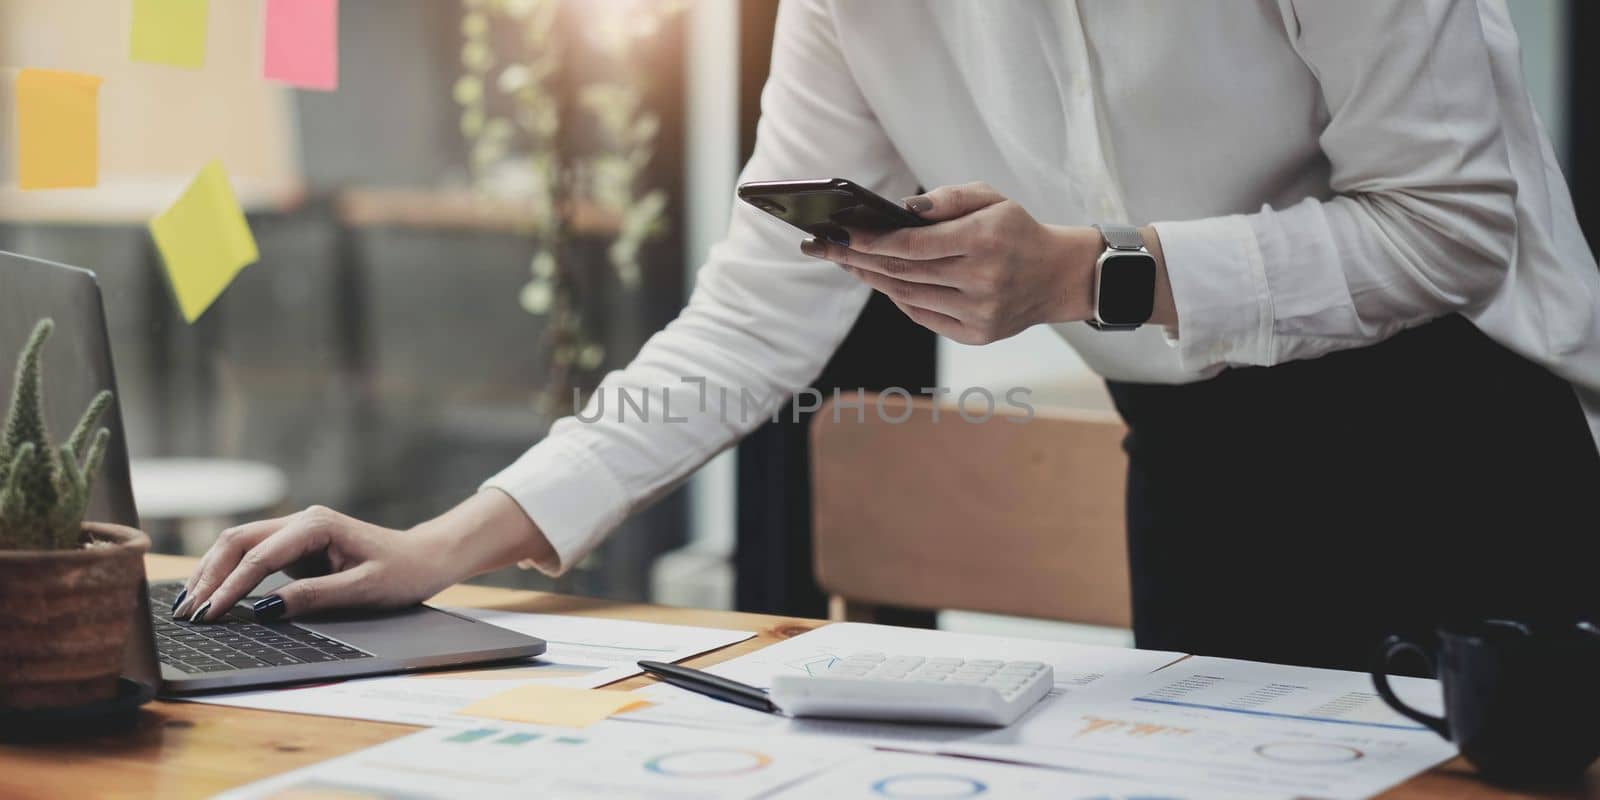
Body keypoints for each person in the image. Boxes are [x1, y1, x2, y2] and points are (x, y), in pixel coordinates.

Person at [175, 1, 1600, 671]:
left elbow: (1446, 228)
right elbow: (752, 312)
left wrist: (1083, 278)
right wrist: (445, 545)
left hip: (1462, 455)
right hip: (1200, 473)